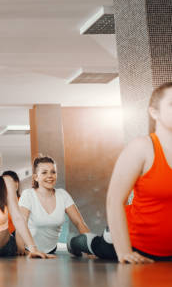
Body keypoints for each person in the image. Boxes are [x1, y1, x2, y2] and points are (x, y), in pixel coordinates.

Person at [70, 82, 172, 263]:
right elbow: (114, 200)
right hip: (135, 244)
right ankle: (79, 242)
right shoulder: (142, 148)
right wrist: (124, 252)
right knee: (97, 245)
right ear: (154, 112)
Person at [17, 156, 91, 254]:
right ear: (36, 177)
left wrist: (91, 248)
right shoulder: (28, 195)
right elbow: (20, 225)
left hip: (51, 250)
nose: (50, 176)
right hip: (28, 250)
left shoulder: (63, 195)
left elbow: (79, 223)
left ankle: (72, 243)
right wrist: (22, 250)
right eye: (44, 172)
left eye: (53, 172)